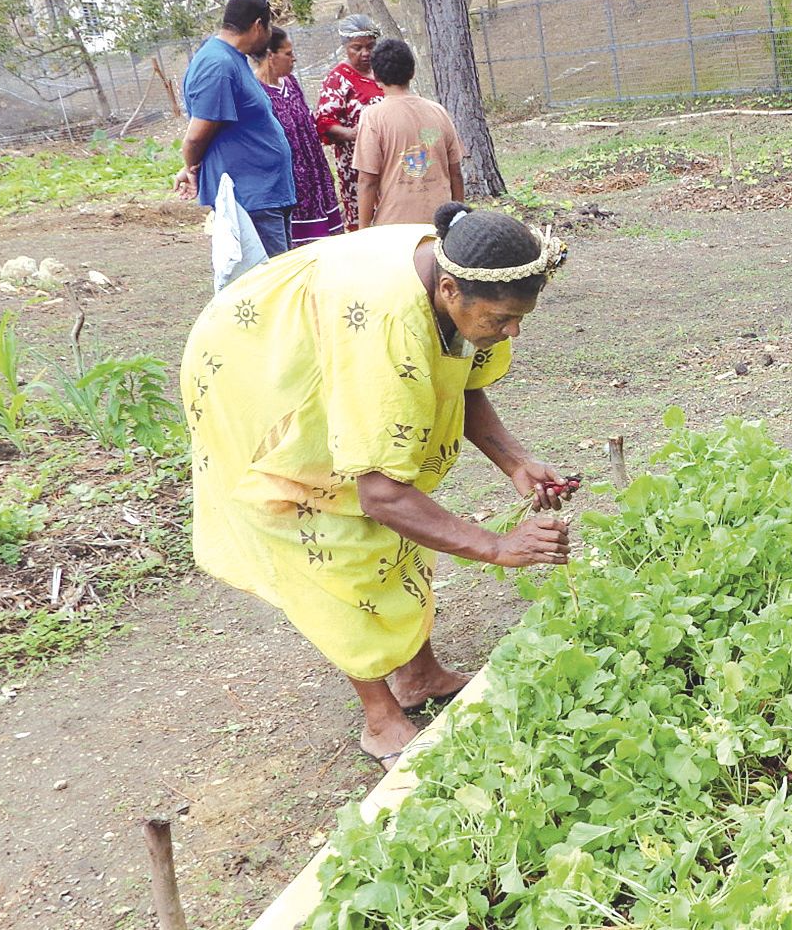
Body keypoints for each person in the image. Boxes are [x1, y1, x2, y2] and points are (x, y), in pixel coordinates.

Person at [181, 202, 576, 767]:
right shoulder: (388, 327)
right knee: (336, 541)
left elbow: (458, 377)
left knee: (399, 529)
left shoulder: (464, 271)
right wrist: (497, 547)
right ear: (448, 292)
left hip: (319, 347)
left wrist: (514, 462)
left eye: (520, 318)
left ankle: (418, 676)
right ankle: (380, 718)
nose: (511, 331)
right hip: (258, 378)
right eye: (501, 321)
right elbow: (380, 495)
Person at [174, 0, 296, 257]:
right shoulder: (218, 64)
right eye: (269, 27)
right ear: (257, 26)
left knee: (282, 279)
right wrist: (191, 167)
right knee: (269, 286)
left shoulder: (230, 59)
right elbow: (196, 136)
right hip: (251, 199)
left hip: (266, 194)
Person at [352, 38, 466, 229]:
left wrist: (363, 231)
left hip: (394, 228)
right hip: (439, 225)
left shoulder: (372, 117)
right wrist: (458, 221)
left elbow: (367, 181)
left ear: (375, 76)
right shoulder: (439, 112)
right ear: (412, 72)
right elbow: (456, 174)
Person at [252, 26, 345, 247]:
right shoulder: (256, 92)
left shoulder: (291, 83)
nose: (294, 59)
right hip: (289, 184)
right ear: (270, 55)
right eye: (288, 53)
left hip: (315, 179)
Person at [316, 14, 386, 231]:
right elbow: (324, 122)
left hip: (389, 159)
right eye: (357, 48)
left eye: (370, 46)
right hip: (357, 165)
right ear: (346, 47)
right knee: (365, 220)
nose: (365, 53)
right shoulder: (337, 78)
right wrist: (355, 133)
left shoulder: (383, 72)